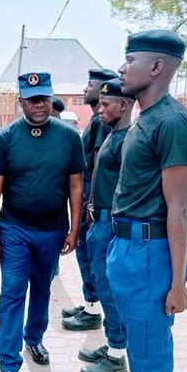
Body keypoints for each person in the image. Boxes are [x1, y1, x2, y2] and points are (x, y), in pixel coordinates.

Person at [94, 29, 187, 372]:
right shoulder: (146, 118)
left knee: (152, 348)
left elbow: (178, 208)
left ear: (157, 67)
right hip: (127, 245)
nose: (122, 68)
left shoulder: (173, 122)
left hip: (152, 251)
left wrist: (178, 283)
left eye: (129, 59)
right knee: (138, 344)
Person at [0, 72, 85, 372]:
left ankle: (34, 339)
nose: (38, 104)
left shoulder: (69, 138)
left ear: (51, 98)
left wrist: (74, 228)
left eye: (43, 98)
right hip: (14, 229)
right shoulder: (7, 138)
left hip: (52, 230)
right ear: (21, 102)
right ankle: (7, 364)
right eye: (31, 99)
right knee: (12, 292)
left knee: (41, 288)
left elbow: (76, 185)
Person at [79, 78, 135, 372]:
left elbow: (126, 190)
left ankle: (116, 354)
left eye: (107, 104)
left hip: (110, 226)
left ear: (124, 105)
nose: (100, 110)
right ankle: (114, 344)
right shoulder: (114, 134)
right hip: (98, 220)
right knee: (102, 285)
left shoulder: (128, 139)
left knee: (109, 290)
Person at [61, 68, 118, 332]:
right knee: (86, 255)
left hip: (91, 200)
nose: (85, 89)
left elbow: (94, 169)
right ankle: (91, 304)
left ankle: (93, 309)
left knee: (89, 255)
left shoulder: (99, 122)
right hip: (88, 198)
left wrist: (89, 205)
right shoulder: (99, 120)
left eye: (90, 85)